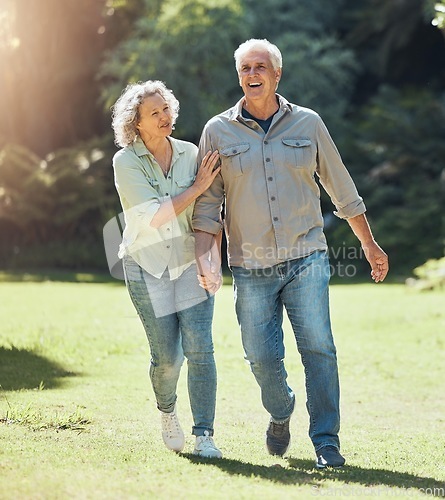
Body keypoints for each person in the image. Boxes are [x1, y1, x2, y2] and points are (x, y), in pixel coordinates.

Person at [193, 39, 389, 468]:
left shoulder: (308, 123)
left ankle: (326, 442)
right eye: (245, 67)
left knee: (319, 348)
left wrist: (368, 243)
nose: (252, 73)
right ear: (239, 75)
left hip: (307, 256)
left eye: (261, 66)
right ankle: (281, 412)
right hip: (251, 265)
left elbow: (341, 186)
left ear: (277, 74)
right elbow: (208, 206)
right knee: (261, 358)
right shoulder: (217, 131)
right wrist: (205, 259)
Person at [111, 80, 223, 458]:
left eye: (166, 109)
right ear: (136, 123)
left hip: (190, 263)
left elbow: (210, 213)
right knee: (168, 358)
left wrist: (212, 260)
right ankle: (167, 411)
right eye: (154, 112)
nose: (164, 116)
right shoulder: (125, 162)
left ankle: (204, 434)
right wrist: (198, 187)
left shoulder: (191, 153)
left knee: (201, 350)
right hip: (147, 267)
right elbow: (153, 218)